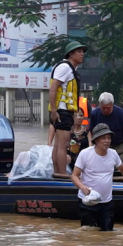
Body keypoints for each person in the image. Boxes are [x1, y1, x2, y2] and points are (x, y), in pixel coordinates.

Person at [71, 123, 123, 231]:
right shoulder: (85, 154)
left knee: (108, 234)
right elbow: (74, 175)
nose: (107, 141)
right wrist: (82, 187)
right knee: (88, 234)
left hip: (106, 203)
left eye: (109, 138)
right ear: (96, 140)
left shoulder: (113, 154)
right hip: (88, 202)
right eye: (103, 138)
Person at [49, 41, 87, 174]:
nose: (82, 54)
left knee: (58, 145)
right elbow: (53, 88)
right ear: (70, 54)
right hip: (61, 111)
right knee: (63, 146)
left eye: (83, 52)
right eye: (79, 51)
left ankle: (57, 173)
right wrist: (54, 111)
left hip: (64, 111)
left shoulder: (70, 68)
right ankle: (62, 175)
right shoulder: (65, 67)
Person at [89, 92, 123, 170]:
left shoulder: (120, 113)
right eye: (103, 107)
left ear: (112, 105)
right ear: (99, 104)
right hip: (103, 147)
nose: (105, 110)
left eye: (108, 108)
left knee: (122, 168)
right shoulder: (95, 114)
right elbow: (91, 131)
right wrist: (91, 146)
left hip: (120, 147)